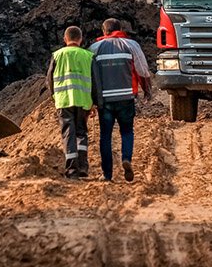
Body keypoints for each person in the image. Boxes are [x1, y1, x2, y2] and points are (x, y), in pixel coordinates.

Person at [89, 18, 152, 182]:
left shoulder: (95, 48)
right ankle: (126, 158)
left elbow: (90, 75)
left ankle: (107, 174)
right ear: (120, 29)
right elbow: (142, 69)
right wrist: (147, 91)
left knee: (105, 136)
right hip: (126, 97)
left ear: (104, 31)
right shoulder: (131, 45)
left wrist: (91, 100)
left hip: (105, 101)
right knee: (126, 131)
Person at [46, 26, 98, 179]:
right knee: (81, 133)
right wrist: (95, 103)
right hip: (83, 100)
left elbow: (49, 80)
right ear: (80, 39)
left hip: (63, 100)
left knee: (68, 133)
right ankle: (82, 167)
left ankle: (71, 170)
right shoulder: (88, 56)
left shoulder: (57, 55)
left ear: (65, 39)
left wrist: (54, 97)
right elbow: (95, 82)